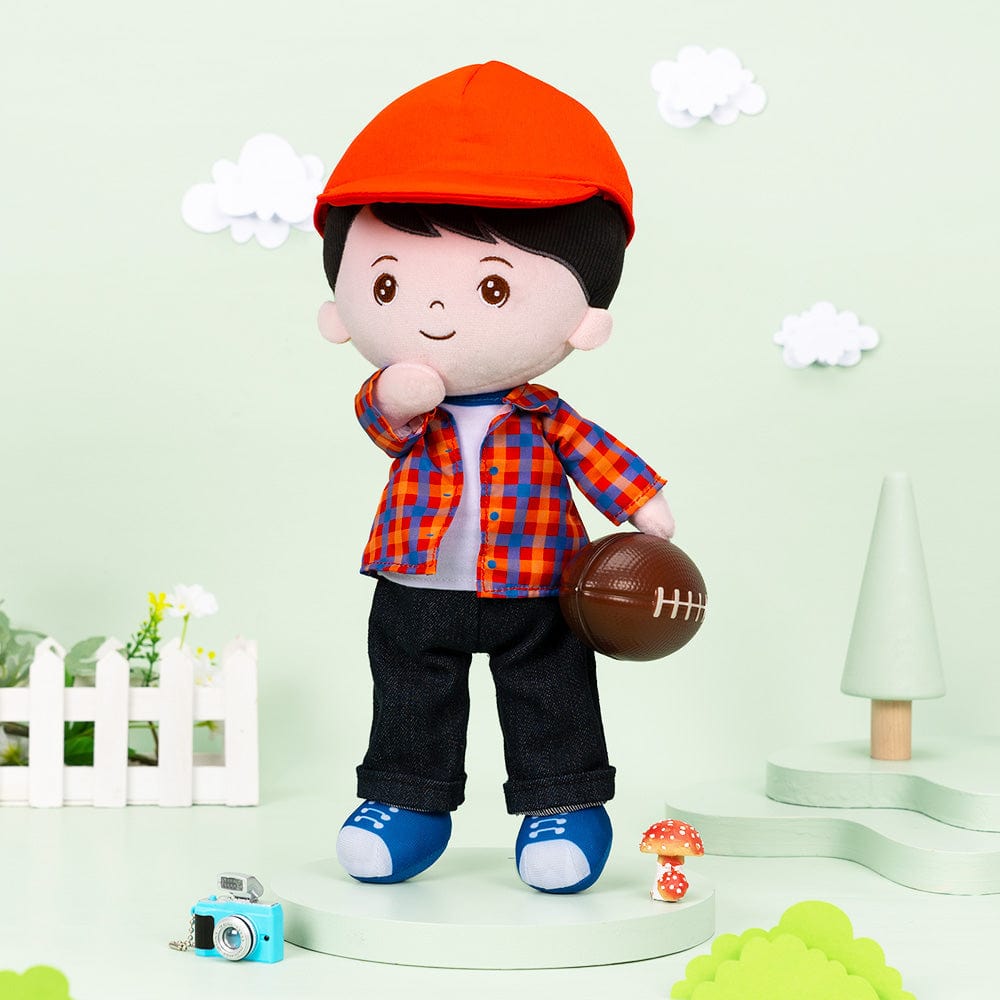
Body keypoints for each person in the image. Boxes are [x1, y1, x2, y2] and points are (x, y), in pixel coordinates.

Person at [314, 62, 675, 894]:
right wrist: (399, 393)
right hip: (415, 580)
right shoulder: (410, 405)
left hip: (538, 586)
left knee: (550, 691)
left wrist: (643, 508)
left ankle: (563, 804)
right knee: (410, 693)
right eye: (388, 283)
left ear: (586, 320)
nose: (437, 314)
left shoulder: (544, 414)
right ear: (339, 306)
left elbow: (598, 456)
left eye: (490, 286)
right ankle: (406, 801)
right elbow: (381, 422)